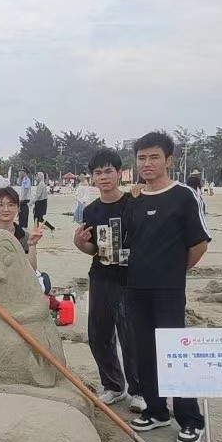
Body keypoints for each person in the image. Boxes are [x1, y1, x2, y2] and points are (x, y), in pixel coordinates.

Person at [124, 132, 210, 442]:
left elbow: (199, 244)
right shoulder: (134, 200)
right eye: (142, 158)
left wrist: (173, 271)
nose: (147, 163)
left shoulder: (184, 196)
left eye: (154, 157)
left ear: (168, 160)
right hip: (136, 287)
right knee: (144, 350)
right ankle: (156, 410)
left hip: (169, 289)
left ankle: (190, 419)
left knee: (176, 351)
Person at [72, 149, 143, 412]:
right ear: (92, 177)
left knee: (130, 335)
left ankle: (139, 390)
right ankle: (113, 385)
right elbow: (94, 248)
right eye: (98, 173)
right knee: (98, 334)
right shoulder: (91, 210)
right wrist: (80, 244)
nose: (103, 177)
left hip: (129, 279)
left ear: (119, 173)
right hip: (101, 276)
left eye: (108, 171)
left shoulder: (134, 203)